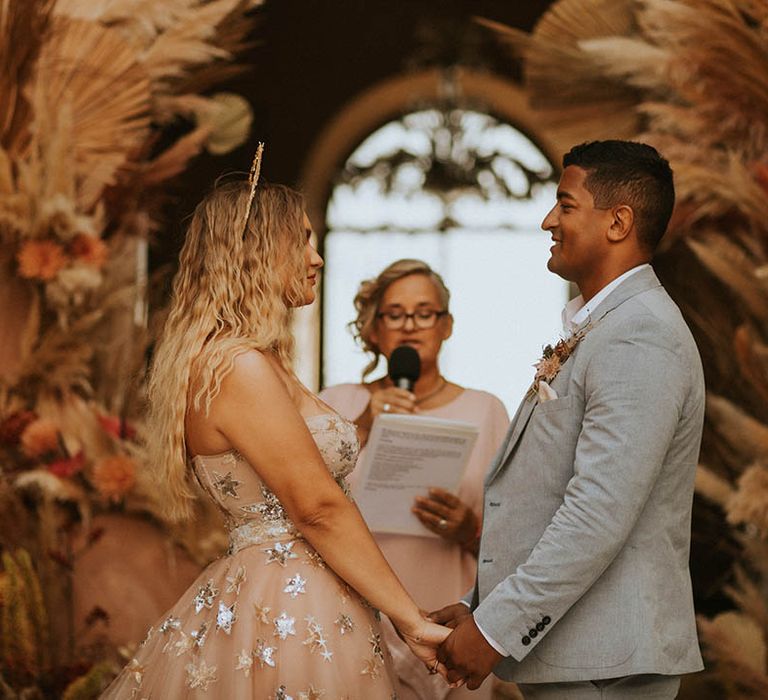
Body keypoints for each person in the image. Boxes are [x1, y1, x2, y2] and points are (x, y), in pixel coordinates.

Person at [101, 168, 450, 698]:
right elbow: (317, 507)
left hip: (307, 591)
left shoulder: (252, 361)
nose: (317, 257)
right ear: (258, 253)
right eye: (303, 241)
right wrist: (412, 620)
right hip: (290, 606)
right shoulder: (237, 366)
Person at [432, 140, 706, 699]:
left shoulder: (639, 334)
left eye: (566, 204)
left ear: (618, 222)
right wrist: (477, 605)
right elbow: (544, 497)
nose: (548, 220)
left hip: (605, 663)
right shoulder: (603, 325)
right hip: (578, 653)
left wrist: (495, 629)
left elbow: (597, 513)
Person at [320, 259, 510, 700]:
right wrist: (363, 424)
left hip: (451, 623)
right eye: (395, 314)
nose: (410, 326)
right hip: (352, 615)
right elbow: (297, 499)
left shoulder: (486, 411)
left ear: (446, 326)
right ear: (374, 329)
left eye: (424, 313)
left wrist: (471, 531)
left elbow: (519, 536)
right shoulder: (336, 403)